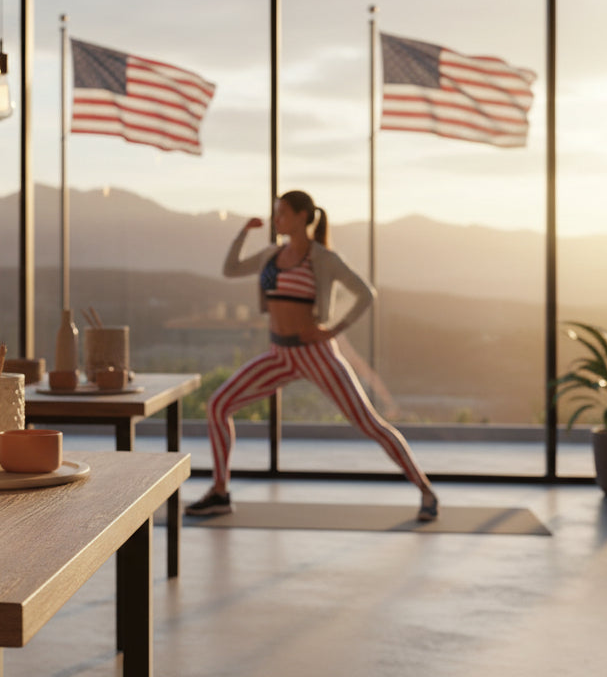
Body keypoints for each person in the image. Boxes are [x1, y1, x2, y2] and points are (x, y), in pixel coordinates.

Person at [185, 190, 439, 522]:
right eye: (276, 214)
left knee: (369, 423)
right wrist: (244, 232)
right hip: (280, 354)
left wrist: (332, 330)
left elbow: (365, 294)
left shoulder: (323, 259)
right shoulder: (272, 255)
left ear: (302, 216)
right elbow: (231, 269)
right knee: (218, 405)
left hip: (315, 354)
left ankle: (425, 490)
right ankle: (220, 492)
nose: (276, 220)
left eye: (282, 214)